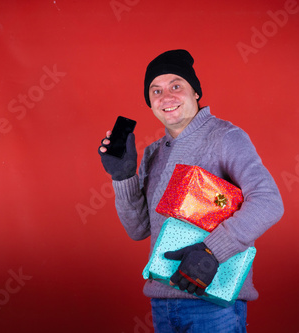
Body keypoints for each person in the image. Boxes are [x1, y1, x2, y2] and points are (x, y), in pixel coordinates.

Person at [98, 49, 284, 332]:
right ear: (150, 102)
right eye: (156, 90)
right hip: (162, 300)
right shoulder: (152, 154)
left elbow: (269, 201)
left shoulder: (225, 137)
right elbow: (138, 230)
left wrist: (212, 251)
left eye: (176, 86)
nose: (166, 97)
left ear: (195, 92)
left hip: (213, 303)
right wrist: (123, 177)